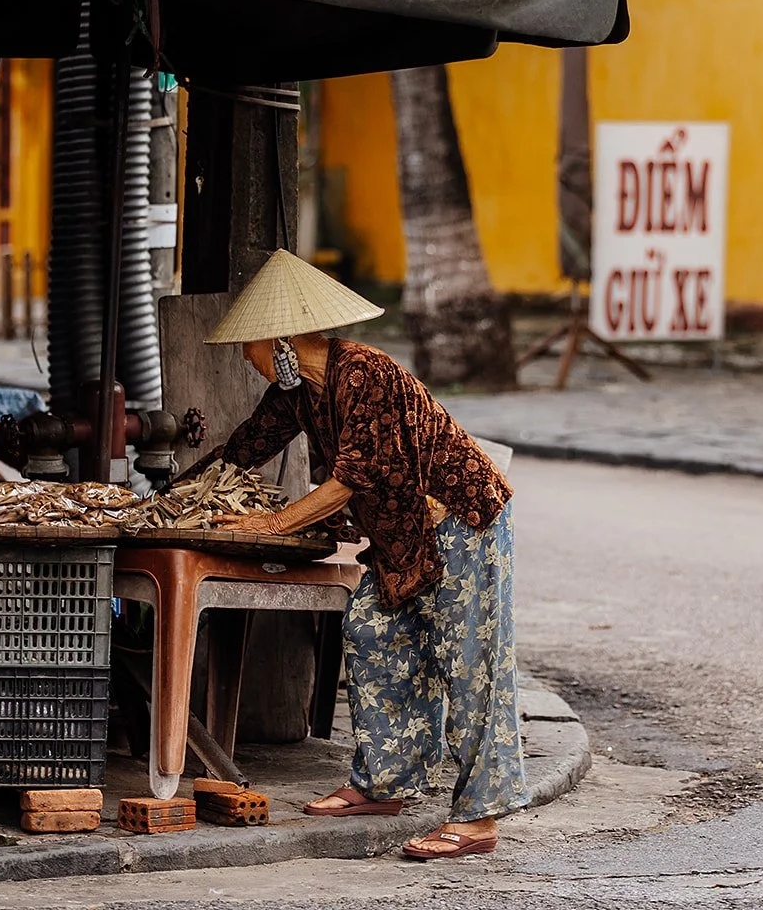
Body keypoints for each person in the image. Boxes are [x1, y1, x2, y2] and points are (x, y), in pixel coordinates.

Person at [204, 248, 528, 861]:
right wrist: (182, 495)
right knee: (371, 633)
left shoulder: (366, 375)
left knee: (471, 662)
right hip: (400, 537)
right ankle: (383, 783)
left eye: (249, 346)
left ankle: (480, 817)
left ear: (280, 342)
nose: (246, 360)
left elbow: (348, 480)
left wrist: (273, 524)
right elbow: (245, 446)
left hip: (459, 521)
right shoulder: (299, 393)